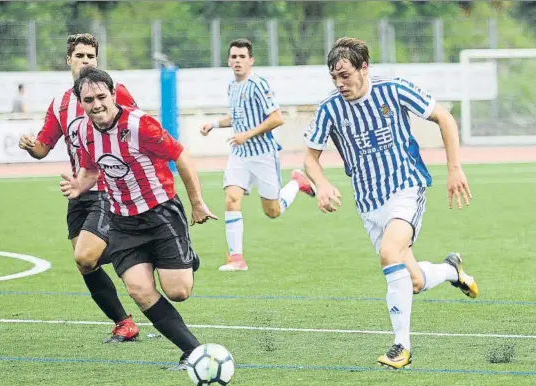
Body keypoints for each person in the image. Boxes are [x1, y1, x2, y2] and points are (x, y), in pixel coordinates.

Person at [303, 37, 479, 369]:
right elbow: (309, 159)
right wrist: (322, 183)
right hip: (369, 203)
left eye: (345, 75)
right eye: (334, 78)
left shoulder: (394, 90)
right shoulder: (329, 108)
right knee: (413, 281)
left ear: (364, 68)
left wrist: (454, 168)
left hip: (406, 187)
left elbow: (444, 118)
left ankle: (401, 347)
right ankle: (451, 270)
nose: (340, 84)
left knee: (389, 253)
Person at [61, 67, 217, 369]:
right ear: (80, 102)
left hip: (160, 214)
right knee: (139, 290)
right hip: (121, 221)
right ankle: (193, 352)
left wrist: (197, 202)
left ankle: (184, 256)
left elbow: (180, 155)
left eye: (101, 97)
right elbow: (92, 168)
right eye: (88, 99)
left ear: (113, 94)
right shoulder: (82, 130)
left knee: (178, 291)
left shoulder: (140, 124)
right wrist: (81, 184)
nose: (96, 105)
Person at [18, 34, 140, 343]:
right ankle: (124, 322)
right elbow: (44, 147)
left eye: (91, 56)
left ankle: (143, 248)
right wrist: (31, 146)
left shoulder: (116, 92)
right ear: (69, 60)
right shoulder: (60, 104)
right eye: (80, 56)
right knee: (86, 263)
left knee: (86, 256)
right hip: (78, 191)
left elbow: (138, 129)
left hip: (109, 188)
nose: (86, 61)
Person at [200, 38, 316, 272]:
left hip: (263, 155)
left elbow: (277, 117)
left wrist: (247, 135)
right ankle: (236, 259)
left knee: (272, 211)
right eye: (234, 57)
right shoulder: (232, 86)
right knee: (231, 199)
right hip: (239, 154)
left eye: (242, 57)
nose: (238, 61)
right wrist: (213, 124)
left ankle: (296, 182)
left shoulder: (258, 85)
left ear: (251, 60)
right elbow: (237, 117)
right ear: (228, 61)